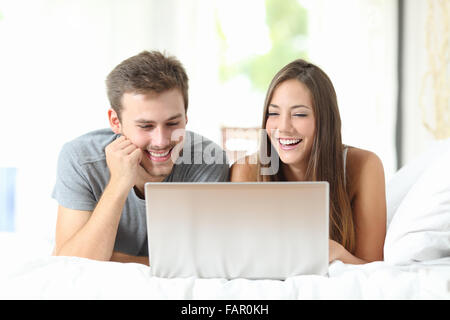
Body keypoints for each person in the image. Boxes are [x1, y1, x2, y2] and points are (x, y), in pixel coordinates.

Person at [52, 51, 229, 265]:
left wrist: (108, 257)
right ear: (115, 121)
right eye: (146, 126)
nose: (161, 141)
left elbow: (202, 262)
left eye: (173, 123)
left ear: (186, 116)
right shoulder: (80, 159)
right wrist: (118, 183)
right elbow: (68, 262)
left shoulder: (207, 161)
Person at [230, 59, 386, 264]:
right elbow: (235, 260)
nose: (283, 127)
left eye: (299, 114)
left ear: (325, 121)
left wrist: (337, 253)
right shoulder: (245, 171)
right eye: (274, 113)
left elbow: (374, 267)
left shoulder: (364, 167)